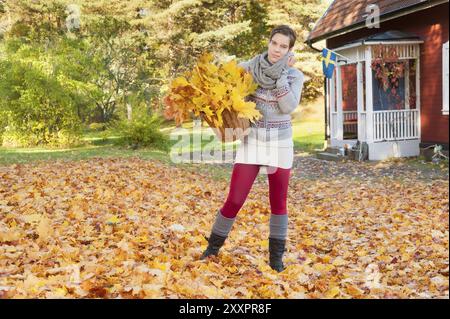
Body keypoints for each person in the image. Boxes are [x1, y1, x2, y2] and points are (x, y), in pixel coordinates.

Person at [200, 25, 305, 272]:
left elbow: (288, 106)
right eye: (274, 43)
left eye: (283, 46)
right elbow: (225, 83)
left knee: (278, 203)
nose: (277, 50)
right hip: (252, 142)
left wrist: (281, 75)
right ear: (268, 42)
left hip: (280, 144)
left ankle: (276, 259)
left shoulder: (294, 76)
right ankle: (212, 248)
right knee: (235, 199)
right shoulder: (249, 68)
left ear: (290, 50)